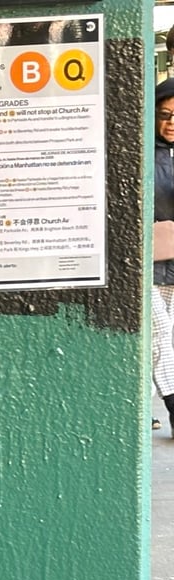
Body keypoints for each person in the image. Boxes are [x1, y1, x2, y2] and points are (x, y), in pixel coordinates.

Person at [153, 76, 174, 432]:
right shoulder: (140, 150)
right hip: (149, 259)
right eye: (165, 114)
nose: (172, 123)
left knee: (165, 338)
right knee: (159, 331)